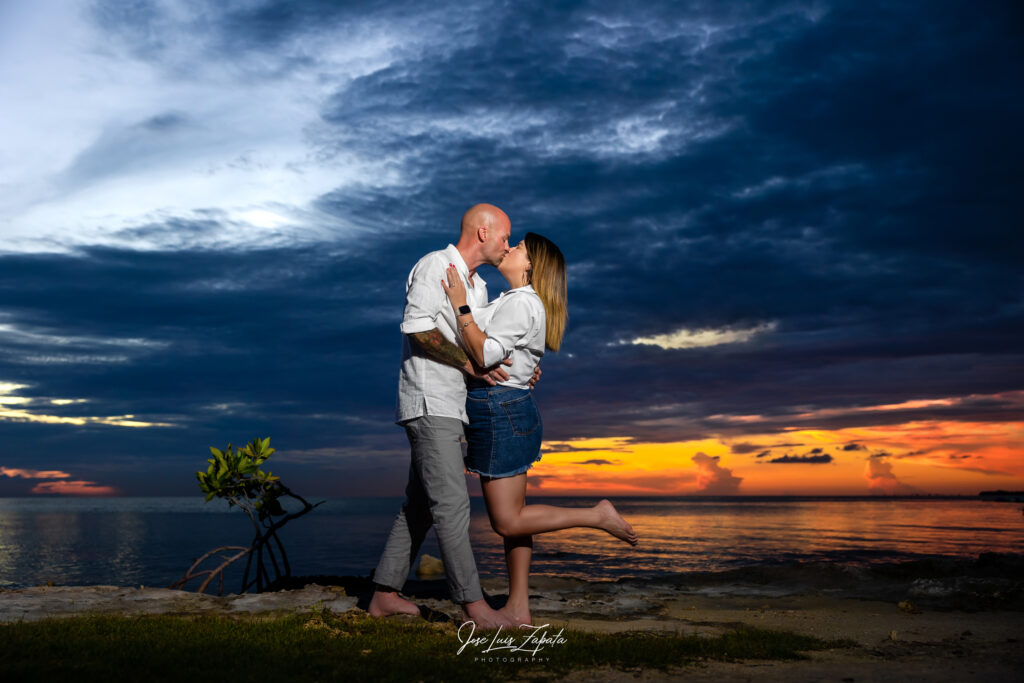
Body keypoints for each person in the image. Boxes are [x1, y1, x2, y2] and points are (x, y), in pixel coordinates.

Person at [441, 232, 638, 626]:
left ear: (530, 267)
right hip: (503, 409)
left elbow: (483, 353)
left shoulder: (523, 303)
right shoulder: (514, 301)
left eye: (519, 249)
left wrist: (459, 303)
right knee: (515, 519)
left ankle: (596, 516)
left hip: (501, 410)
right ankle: (518, 608)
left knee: (507, 521)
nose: (510, 248)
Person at [368, 203, 527, 628]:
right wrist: (471, 365)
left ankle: (383, 595)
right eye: (504, 237)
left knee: (419, 505)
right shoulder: (435, 265)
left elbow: (484, 349)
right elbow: (417, 328)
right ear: (482, 232)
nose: (507, 246)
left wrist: (521, 368)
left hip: (454, 406)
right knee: (453, 505)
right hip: (428, 402)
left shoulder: (476, 289)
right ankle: (474, 607)